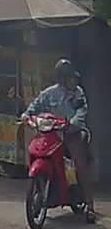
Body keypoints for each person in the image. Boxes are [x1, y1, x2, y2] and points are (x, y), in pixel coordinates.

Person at [23, 59, 95, 219]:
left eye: (74, 78)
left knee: (79, 163)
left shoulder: (77, 93)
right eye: (70, 78)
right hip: (53, 133)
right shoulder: (49, 93)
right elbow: (35, 106)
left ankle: (89, 205)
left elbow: (81, 112)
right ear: (62, 78)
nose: (73, 81)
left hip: (73, 133)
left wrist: (71, 124)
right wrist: (27, 116)